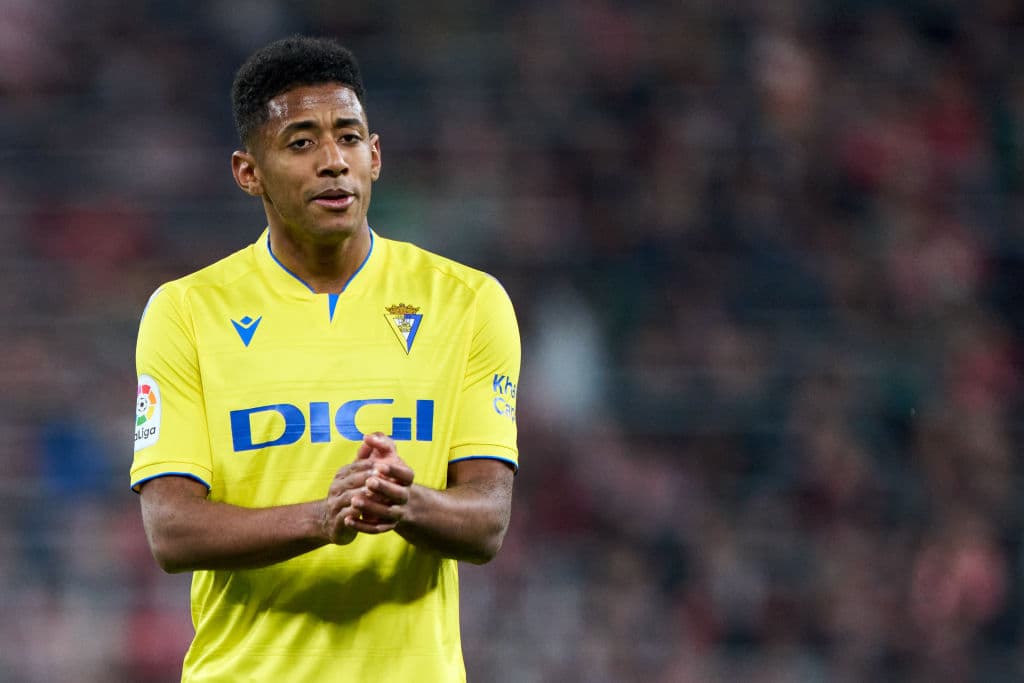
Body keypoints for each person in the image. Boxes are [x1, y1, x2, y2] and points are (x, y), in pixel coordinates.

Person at [130, 35, 521, 682]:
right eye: (301, 142)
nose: (334, 161)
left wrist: (403, 504)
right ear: (248, 172)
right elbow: (171, 529)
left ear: (376, 155)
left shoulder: (468, 302)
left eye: (349, 137)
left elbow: (487, 521)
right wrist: (322, 517)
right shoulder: (187, 312)